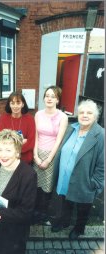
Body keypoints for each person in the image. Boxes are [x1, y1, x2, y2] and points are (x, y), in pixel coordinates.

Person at [52, 99, 104, 239]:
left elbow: (102, 163)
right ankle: (64, 222)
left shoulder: (101, 135)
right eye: (81, 112)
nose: (85, 115)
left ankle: (79, 228)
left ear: (95, 116)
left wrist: (95, 183)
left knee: (83, 207)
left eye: (89, 113)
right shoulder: (72, 128)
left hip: (84, 179)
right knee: (65, 201)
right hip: (65, 176)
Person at [33, 85, 68, 223]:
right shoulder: (38, 114)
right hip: (38, 153)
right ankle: (35, 213)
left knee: (47, 187)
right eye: (47, 95)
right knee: (36, 185)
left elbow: (59, 140)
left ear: (57, 100)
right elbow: (36, 136)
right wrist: (35, 155)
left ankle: (43, 214)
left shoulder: (62, 117)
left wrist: (48, 159)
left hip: (51, 155)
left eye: (53, 96)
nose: (49, 98)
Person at [0, 92, 35, 164]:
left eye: (18, 103)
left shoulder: (30, 119)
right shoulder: (3, 118)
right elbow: (2, 140)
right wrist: (21, 142)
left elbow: (31, 142)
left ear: (22, 104)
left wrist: (12, 145)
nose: (15, 106)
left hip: (25, 159)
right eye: (12, 103)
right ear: (9, 104)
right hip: (8, 159)